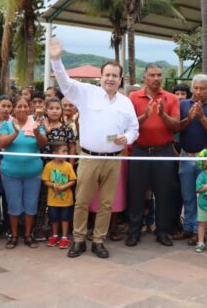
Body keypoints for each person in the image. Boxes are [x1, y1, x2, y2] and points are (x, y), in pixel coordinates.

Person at [50, 37, 139, 259]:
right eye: (107, 74)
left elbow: (134, 129)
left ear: (120, 79)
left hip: (114, 159)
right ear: (101, 77)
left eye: (114, 76)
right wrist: (56, 59)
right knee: (81, 201)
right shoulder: (87, 92)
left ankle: (99, 240)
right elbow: (64, 83)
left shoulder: (125, 102)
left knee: (106, 204)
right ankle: (78, 239)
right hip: (88, 158)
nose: (110, 79)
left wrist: (126, 138)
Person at [126, 64, 180, 247]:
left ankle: (162, 231)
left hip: (163, 151)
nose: (156, 78)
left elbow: (176, 125)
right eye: (152, 75)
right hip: (139, 150)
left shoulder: (171, 98)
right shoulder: (133, 97)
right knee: (136, 193)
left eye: (159, 75)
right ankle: (134, 231)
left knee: (164, 193)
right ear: (145, 78)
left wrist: (162, 114)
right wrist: (145, 116)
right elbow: (129, 126)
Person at [175, 75, 207, 245]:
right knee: (187, 195)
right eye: (195, 88)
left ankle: (199, 230)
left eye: (202, 88)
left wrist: (202, 117)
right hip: (185, 155)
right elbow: (176, 128)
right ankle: (188, 227)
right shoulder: (182, 104)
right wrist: (189, 118)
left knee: (202, 196)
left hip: (205, 160)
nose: (198, 92)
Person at [0, 96, 47, 249]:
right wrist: (15, 133)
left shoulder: (36, 123)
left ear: (30, 108)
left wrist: (37, 133)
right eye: (19, 106)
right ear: (14, 108)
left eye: (25, 106)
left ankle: (28, 235)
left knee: (31, 204)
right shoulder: (6, 124)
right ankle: (14, 236)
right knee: (13, 205)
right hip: (11, 173)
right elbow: (2, 143)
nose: (22, 109)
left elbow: (43, 144)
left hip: (33, 173)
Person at [42, 142, 77, 249]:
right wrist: (52, 185)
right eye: (63, 151)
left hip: (66, 200)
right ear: (55, 153)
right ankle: (55, 235)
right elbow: (45, 181)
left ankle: (65, 237)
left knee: (65, 218)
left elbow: (73, 180)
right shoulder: (48, 166)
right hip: (53, 200)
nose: (66, 153)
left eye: (67, 151)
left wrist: (64, 187)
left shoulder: (68, 166)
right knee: (54, 218)